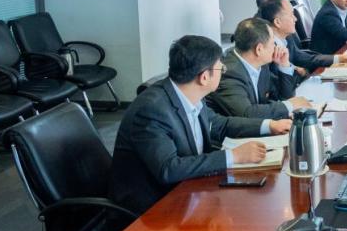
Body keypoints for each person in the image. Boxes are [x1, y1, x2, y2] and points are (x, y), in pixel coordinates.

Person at [109, 35, 291, 216]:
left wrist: (270, 125)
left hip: (188, 192)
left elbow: (220, 124)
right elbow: (169, 169)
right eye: (220, 68)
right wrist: (234, 156)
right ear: (204, 77)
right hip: (151, 211)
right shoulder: (151, 110)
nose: (223, 72)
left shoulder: (190, 94)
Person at [206, 18, 311, 119]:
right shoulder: (229, 72)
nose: (276, 47)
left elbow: (283, 96)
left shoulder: (261, 64)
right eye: (273, 43)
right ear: (259, 49)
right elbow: (246, 114)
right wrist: (289, 105)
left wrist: (284, 66)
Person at [258, 0, 347, 75]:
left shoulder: (287, 37)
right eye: (291, 15)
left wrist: (339, 58)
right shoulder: (268, 51)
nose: (295, 19)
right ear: (277, 22)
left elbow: (302, 57)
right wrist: (294, 70)